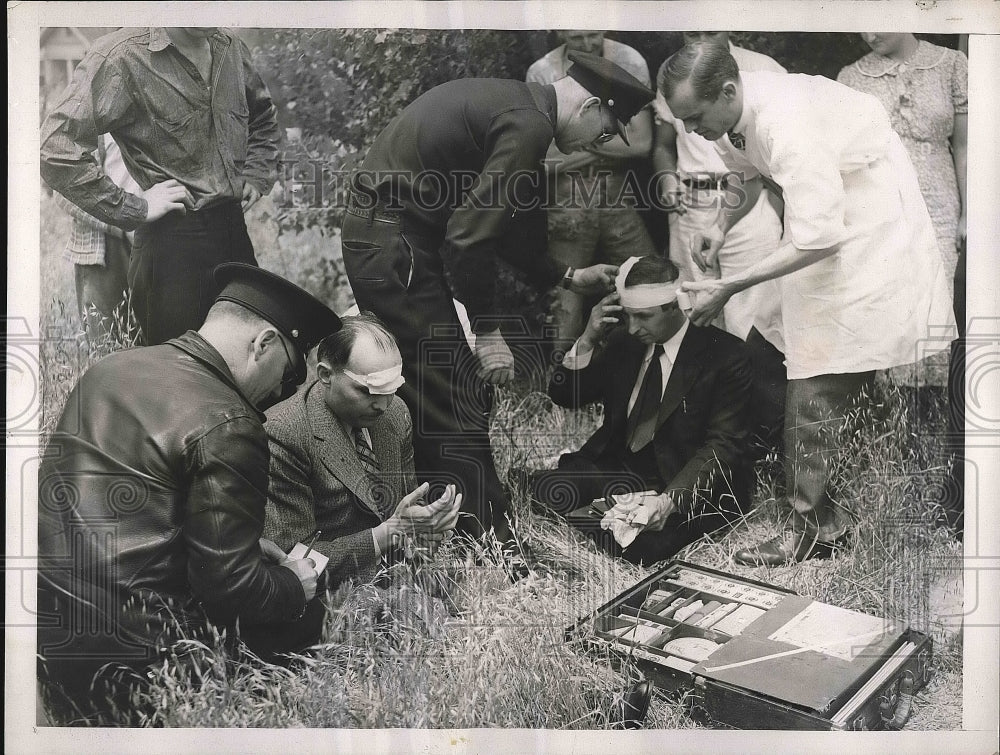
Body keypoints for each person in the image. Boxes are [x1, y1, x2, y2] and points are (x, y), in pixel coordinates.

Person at [341, 51, 654, 548]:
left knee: (431, 387)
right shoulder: (528, 125)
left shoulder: (522, 108)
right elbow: (468, 238)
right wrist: (487, 332)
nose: (596, 146)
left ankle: (445, 520)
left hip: (391, 238)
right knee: (452, 389)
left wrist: (569, 274)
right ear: (591, 105)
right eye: (602, 132)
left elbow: (500, 227)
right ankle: (489, 538)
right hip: (394, 243)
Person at [658, 42, 955, 565]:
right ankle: (785, 466)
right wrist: (718, 227)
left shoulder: (785, 123)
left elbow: (820, 237)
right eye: (682, 121)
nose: (690, 133)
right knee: (768, 345)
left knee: (819, 369)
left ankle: (816, 526)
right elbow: (741, 176)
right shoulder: (728, 116)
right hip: (816, 220)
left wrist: (730, 285)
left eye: (695, 119)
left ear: (728, 90)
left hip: (865, 227)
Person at [37, 263, 342, 724]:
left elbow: (117, 510)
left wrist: (235, 542)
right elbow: (232, 590)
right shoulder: (229, 420)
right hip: (144, 664)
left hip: (47, 635)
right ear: (264, 344)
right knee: (312, 614)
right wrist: (293, 584)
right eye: (289, 374)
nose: (282, 393)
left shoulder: (108, 369)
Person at [40, 27, 281, 346]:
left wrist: (256, 172)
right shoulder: (122, 56)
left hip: (233, 232)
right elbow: (56, 148)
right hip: (171, 244)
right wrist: (134, 206)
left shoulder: (231, 48)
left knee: (251, 357)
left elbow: (263, 117)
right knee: (177, 374)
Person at [532, 255, 753, 563]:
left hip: (676, 480)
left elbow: (723, 446)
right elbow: (564, 397)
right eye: (629, 315)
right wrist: (586, 339)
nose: (633, 327)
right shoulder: (625, 341)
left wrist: (669, 502)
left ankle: (601, 514)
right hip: (619, 468)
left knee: (641, 548)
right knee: (543, 491)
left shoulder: (727, 356)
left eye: (644, 317)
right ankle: (598, 510)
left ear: (675, 307)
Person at [651, 31, 788, 450]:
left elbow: (765, 170)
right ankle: (707, 431)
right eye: (692, 29)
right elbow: (663, 146)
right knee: (695, 317)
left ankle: (760, 436)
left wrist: (775, 212)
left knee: (755, 322)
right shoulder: (673, 76)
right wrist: (666, 177)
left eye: (709, 28)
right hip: (693, 205)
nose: (700, 37)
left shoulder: (763, 71)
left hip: (745, 205)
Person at [264, 313, 462, 589]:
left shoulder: (395, 413)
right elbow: (290, 562)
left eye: (390, 389)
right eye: (368, 390)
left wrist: (425, 530)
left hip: (397, 582)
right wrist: (386, 535)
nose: (381, 404)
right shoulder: (285, 433)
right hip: (332, 597)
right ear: (325, 375)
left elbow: (403, 510)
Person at [838, 33, 968, 407]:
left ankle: (933, 423)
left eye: (879, 22)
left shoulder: (951, 65)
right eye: (860, 25)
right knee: (885, 308)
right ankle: (886, 426)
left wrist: (967, 212)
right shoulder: (850, 76)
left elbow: (964, 145)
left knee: (934, 306)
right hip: (879, 212)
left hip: (939, 207)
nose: (869, 34)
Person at [527, 30, 657, 348]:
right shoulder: (542, 71)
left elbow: (641, 143)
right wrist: (606, 135)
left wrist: (574, 140)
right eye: (576, 38)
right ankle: (563, 382)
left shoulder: (628, 61)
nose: (587, 45)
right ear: (558, 32)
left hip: (615, 189)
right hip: (566, 195)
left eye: (593, 34)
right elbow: (543, 160)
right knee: (567, 290)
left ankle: (651, 368)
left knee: (648, 277)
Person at [54, 134, 142, 344]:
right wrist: (120, 225)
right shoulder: (87, 120)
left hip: (150, 241)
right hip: (103, 249)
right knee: (106, 346)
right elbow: (64, 190)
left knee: (149, 348)